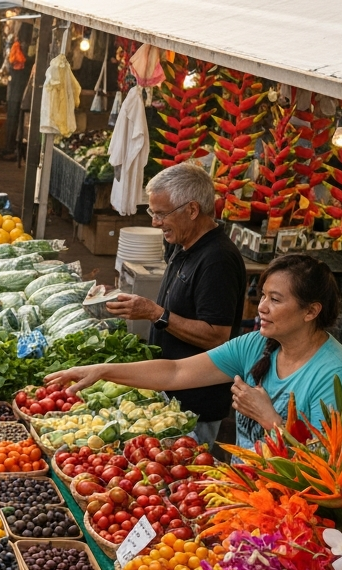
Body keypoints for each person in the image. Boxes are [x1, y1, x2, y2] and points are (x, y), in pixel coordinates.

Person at [46, 254, 342, 451]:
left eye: (276, 300)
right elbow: (176, 372)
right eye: (263, 296)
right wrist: (102, 370)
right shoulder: (256, 344)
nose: (263, 308)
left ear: (311, 311)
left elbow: (333, 464)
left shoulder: (337, 376)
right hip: (245, 494)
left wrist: (272, 421)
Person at [103, 163, 247, 446]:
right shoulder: (183, 245)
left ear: (192, 210)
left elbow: (217, 336)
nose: (155, 222)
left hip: (195, 404)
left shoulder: (217, 260)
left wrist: (156, 314)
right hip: (172, 390)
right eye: (152, 212)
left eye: (161, 214)